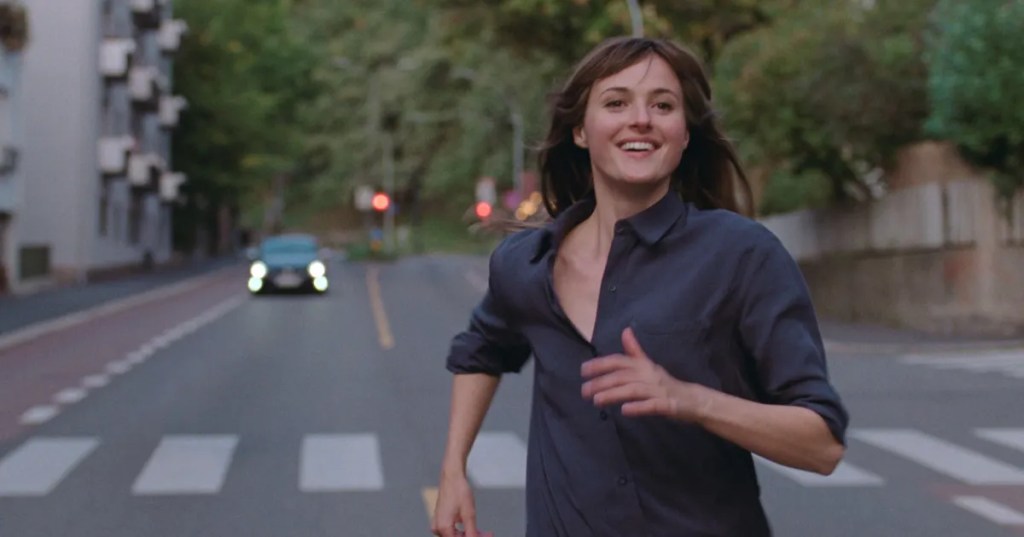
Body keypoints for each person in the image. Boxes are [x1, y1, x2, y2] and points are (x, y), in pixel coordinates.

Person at [432, 36, 848, 537]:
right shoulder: (526, 263)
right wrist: (453, 470)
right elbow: (480, 352)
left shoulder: (742, 255)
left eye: (663, 105)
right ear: (580, 131)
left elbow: (822, 445)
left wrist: (689, 399)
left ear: (685, 134)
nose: (641, 119)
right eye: (616, 103)